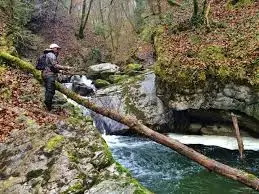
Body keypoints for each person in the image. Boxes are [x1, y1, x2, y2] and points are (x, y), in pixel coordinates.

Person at [43, 43, 71, 111]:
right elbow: (55, 65)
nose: (58, 50)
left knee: (48, 90)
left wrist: (60, 71)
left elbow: (51, 67)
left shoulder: (47, 54)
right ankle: (48, 107)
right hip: (49, 75)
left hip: (46, 74)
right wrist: (65, 68)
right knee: (50, 91)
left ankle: (48, 105)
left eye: (58, 49)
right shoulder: (51, 55)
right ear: (53, 48)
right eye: (57, 49)